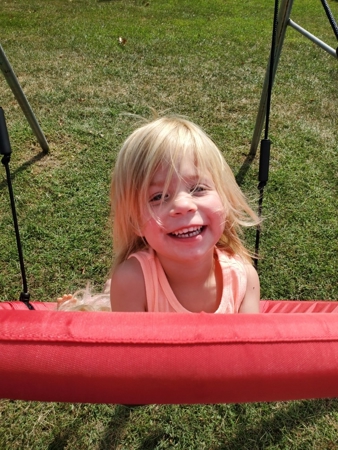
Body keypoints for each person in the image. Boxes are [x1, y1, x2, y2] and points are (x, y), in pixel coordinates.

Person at [109, 115, 261, 313]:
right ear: (135, 221)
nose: (183, 204)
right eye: (158, 196)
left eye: (198, 188)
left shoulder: (244, 279)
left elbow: (248, 345)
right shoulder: (133, 283)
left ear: (225, 198)